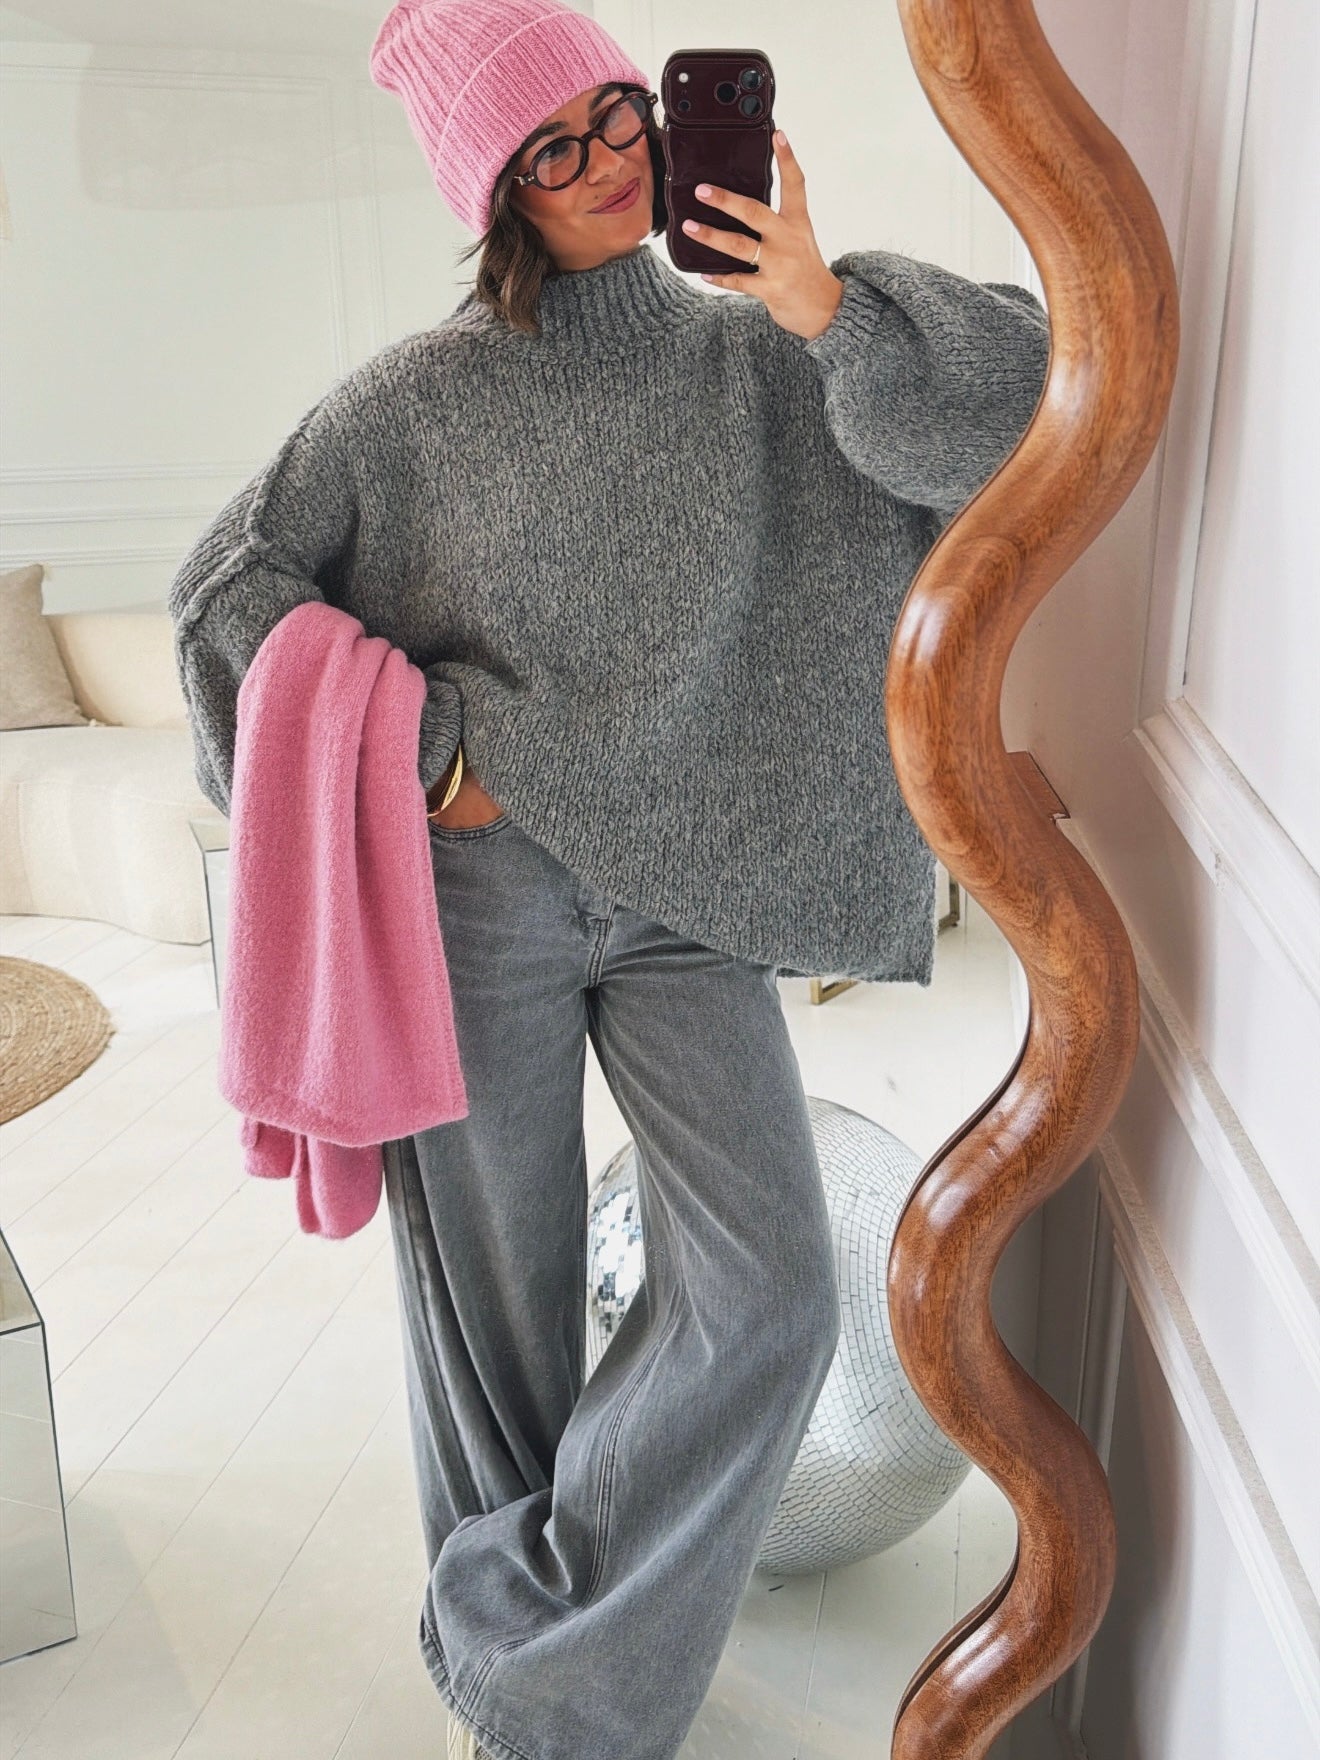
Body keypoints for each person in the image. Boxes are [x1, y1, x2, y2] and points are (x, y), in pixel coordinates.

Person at [166, 4, 1052, 1756]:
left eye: (619, 112)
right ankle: (546, 1714)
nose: (609, 160)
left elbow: (1025, 410)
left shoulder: (766, 355)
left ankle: (528, 1661)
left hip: (685, 900)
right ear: (493, 188)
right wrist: (434, 758)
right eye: (552, 145)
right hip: (474, 903)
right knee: (495, 1327)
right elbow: (223, 595)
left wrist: (821, 299)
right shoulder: (407, 408)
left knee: (774, 1293)